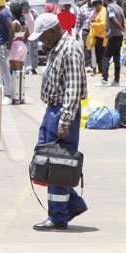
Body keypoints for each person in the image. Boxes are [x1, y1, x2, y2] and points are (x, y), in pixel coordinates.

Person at [29, 13, 89, 230]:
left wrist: (65, 120)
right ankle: (71, 205)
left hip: (63, 112)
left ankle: (58, 217)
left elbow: (72, 89)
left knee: (58, 164)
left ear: (53, 31)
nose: (42, 41)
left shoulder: (70, 49)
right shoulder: (57, 47)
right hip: (52, 110)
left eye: (43, 36)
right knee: (47, 162)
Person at [102, 0, 126, 86]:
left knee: (106, 57)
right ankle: (116, 79)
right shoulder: (118, 7)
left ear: (106, 0)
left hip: (113, 35)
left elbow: (113, 19)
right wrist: (123, 31)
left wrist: (121, 28)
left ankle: (104, 79)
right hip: (119, 35)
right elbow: (124, 19)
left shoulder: (110, 8)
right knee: (117, 57)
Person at [88, 0, 110, 84]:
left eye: (95, 6)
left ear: (98, 4)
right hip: (98, 36)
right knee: (98, 55)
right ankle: (100, 70)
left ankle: (103, 72)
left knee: (102, 55)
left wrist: (93, 24)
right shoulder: (99, 11)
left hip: (102, 36)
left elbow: (103, 24)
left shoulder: (103, 11)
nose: (95, 8)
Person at [21, 0, 39, 74]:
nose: (26, 9)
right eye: (25, 8)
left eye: (27, 8)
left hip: (34, 35)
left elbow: (38, 20)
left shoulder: (32, 13)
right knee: (27, 53)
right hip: (26, 37)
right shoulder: (21, 16)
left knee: (34, 53)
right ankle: (28, 68)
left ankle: (34, 68)